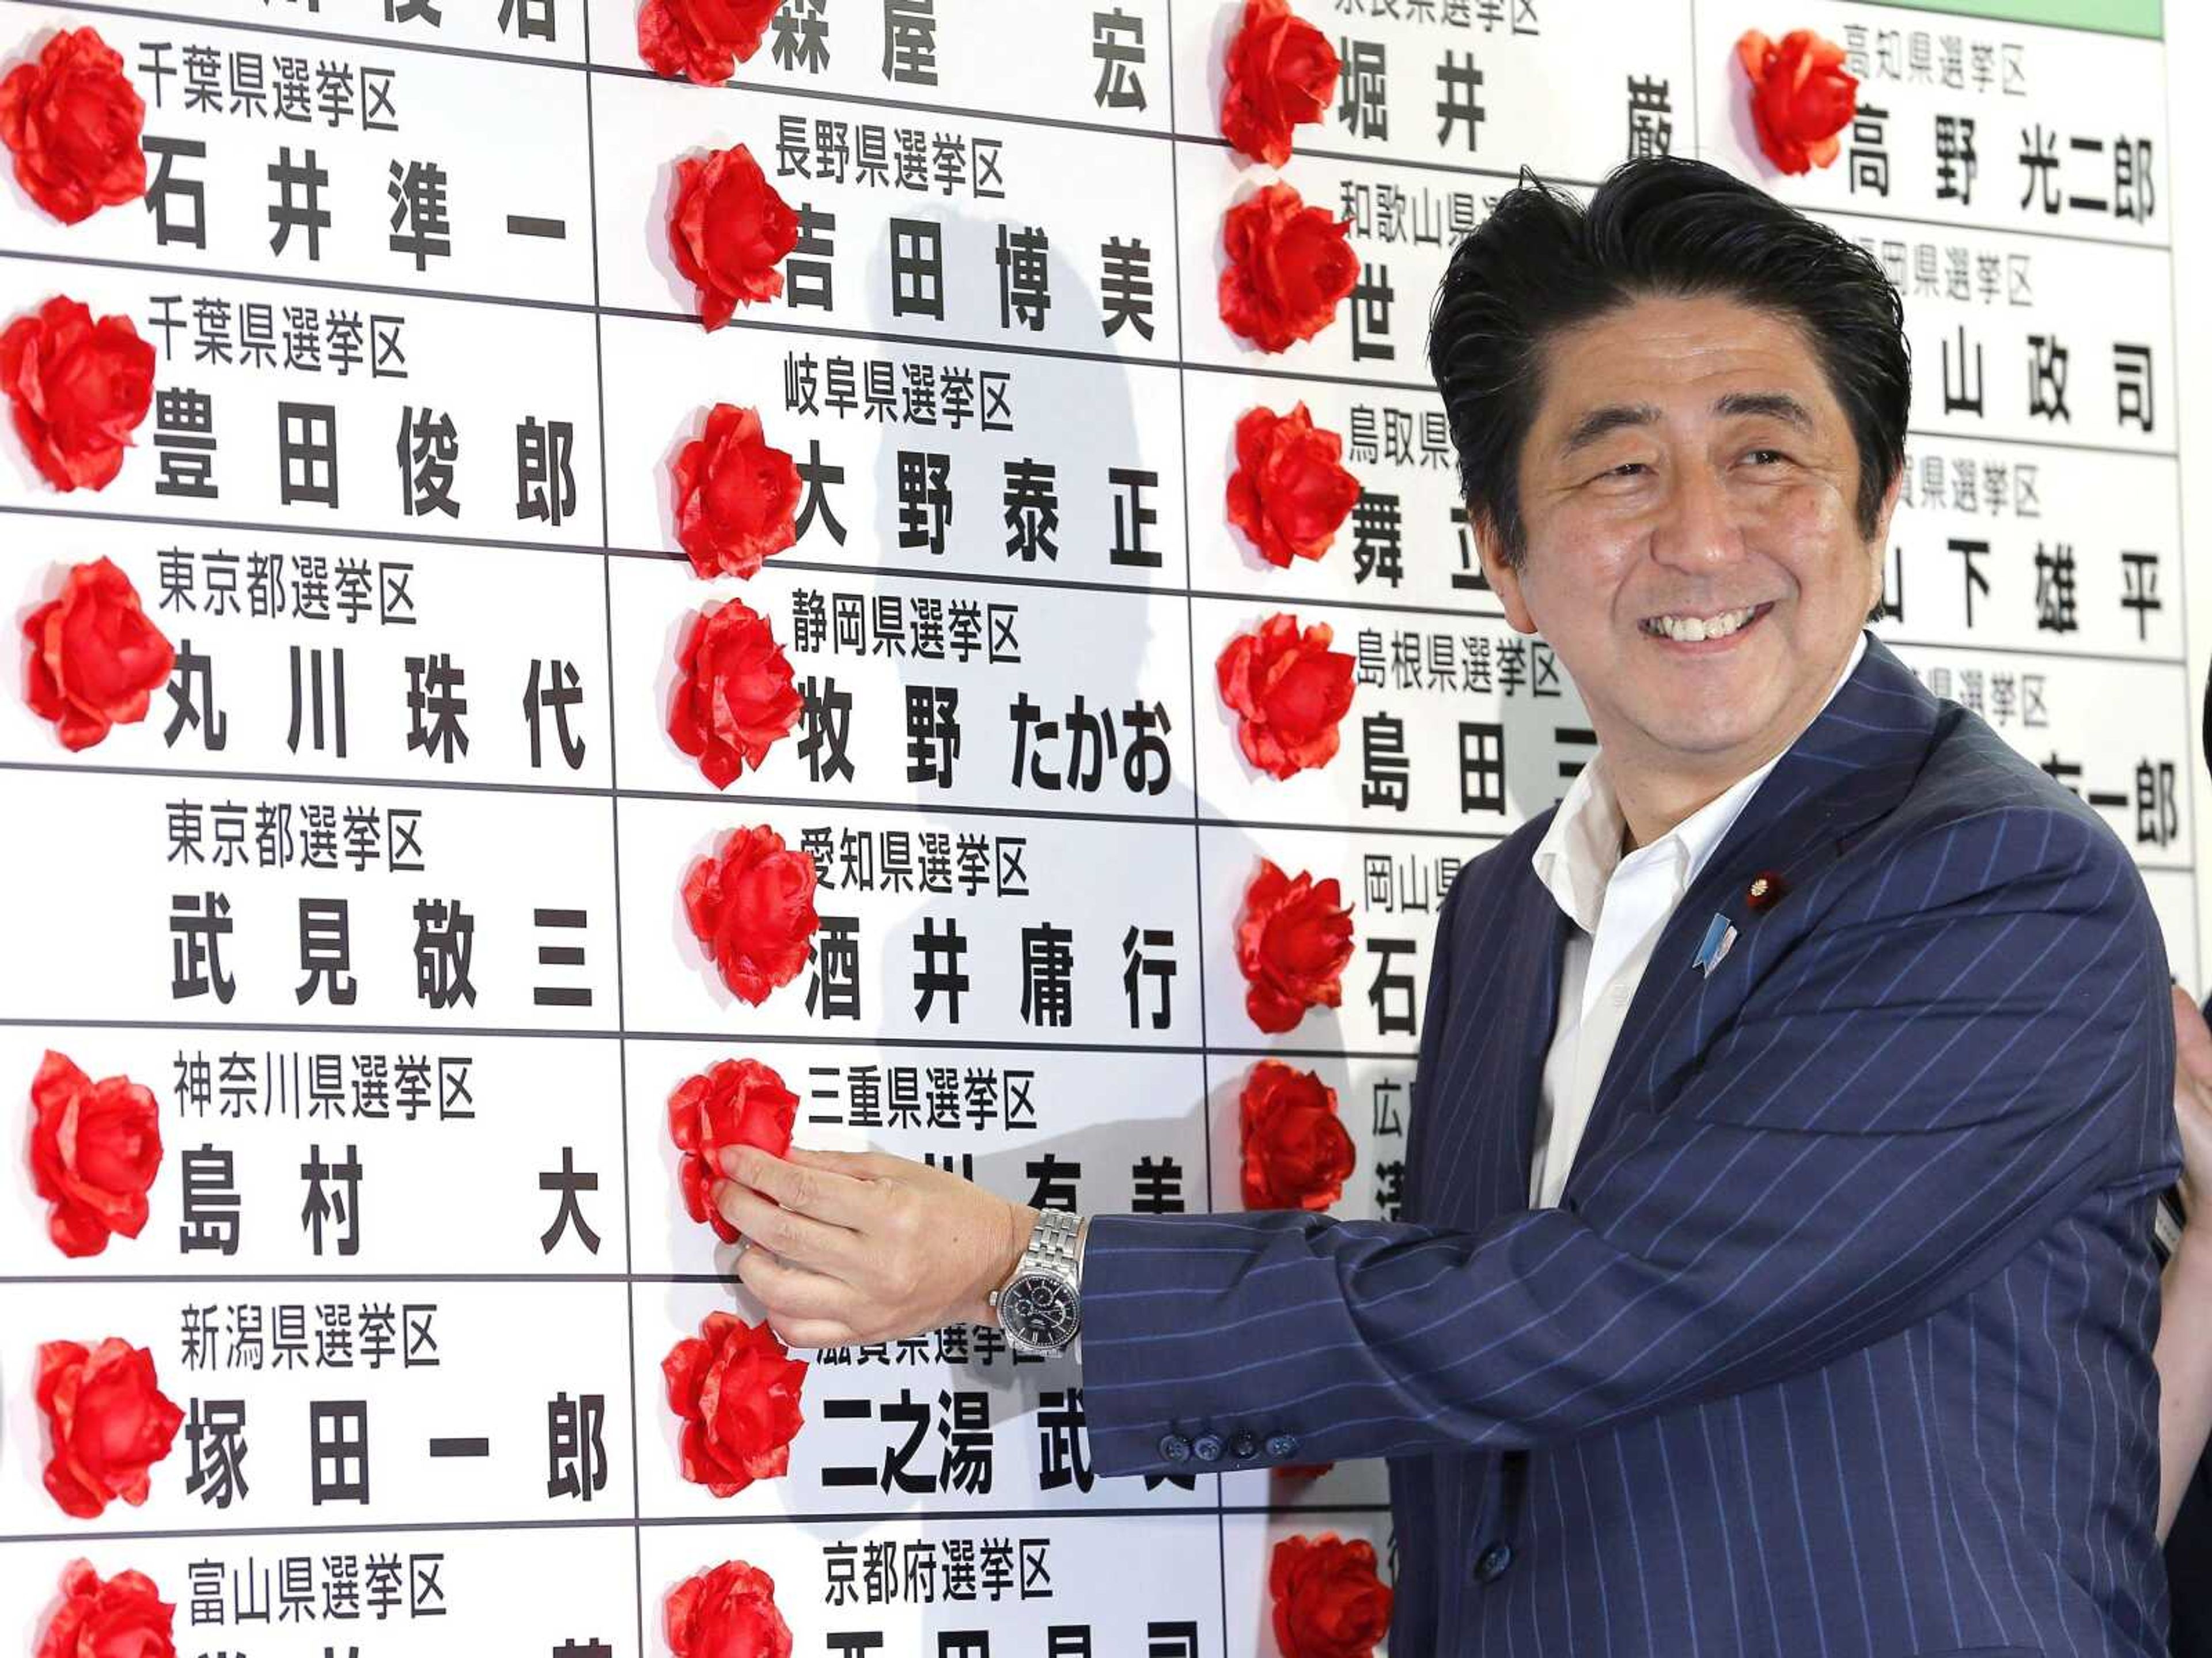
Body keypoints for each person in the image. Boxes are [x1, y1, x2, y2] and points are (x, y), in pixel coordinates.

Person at [714, 155, 2183, 1655]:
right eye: (1620, 468)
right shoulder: (1504, 910)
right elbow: (1473, 1492)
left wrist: (1011, 1270)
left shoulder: (2001, 883)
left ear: (1875, 513)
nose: (1697, 535)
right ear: (1504, 557)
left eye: (1766, 459)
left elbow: (1597, 1306)